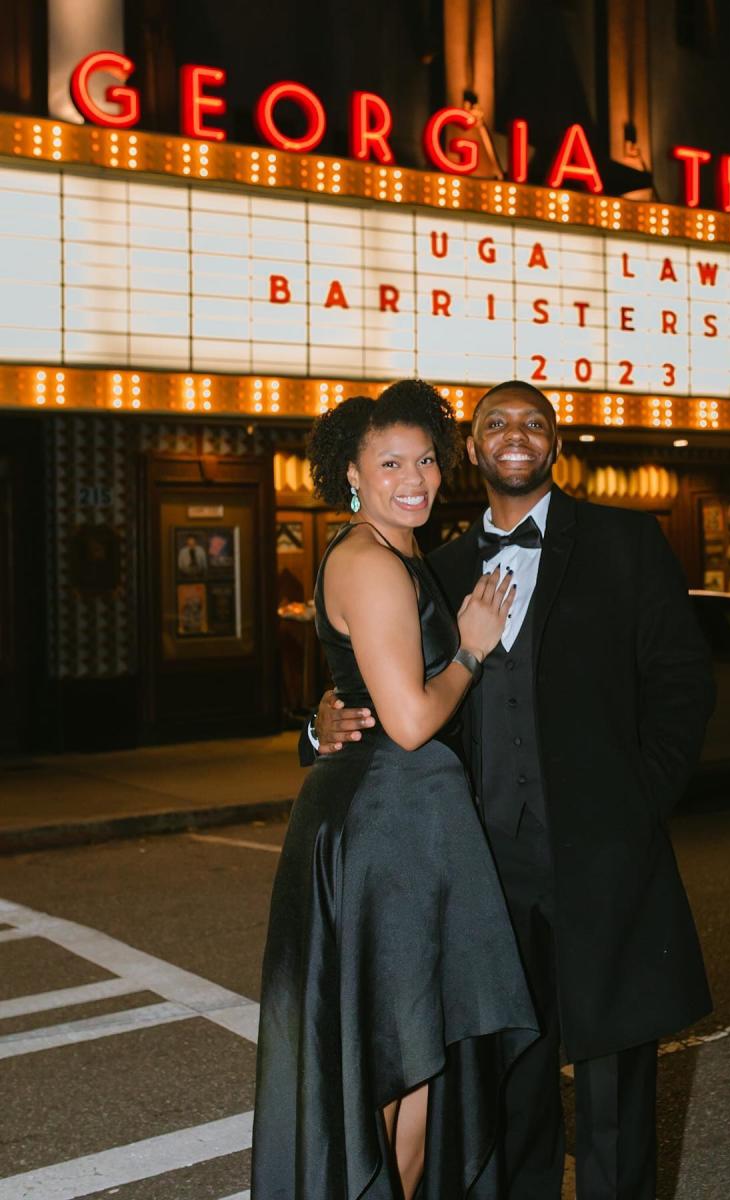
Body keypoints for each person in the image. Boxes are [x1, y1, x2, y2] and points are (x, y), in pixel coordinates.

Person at [311, 380, 716, 1199]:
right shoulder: (438, 566)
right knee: (511, 1078)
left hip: (603, 853)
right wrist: (316, 729)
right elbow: (383, 698)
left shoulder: (625, 542)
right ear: (475, 448)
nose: (515, 434)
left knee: (613, 1082)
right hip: (484, 867)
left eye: (535, 421)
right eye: (495, 422)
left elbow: (683, 684)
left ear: (556, 442)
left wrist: (635, 806)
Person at [253, 380, 538, 1200]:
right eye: (390, 463)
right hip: (390, 827)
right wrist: (472, 651)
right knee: (397, 1061)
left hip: (406, 820)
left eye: (425, 459)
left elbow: (369, 694)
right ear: (352, 471)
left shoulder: (396, 550)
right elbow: (410, 721)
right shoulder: (369, 562)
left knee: (410, 1060)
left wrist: (325, 719)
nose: (414, 478)